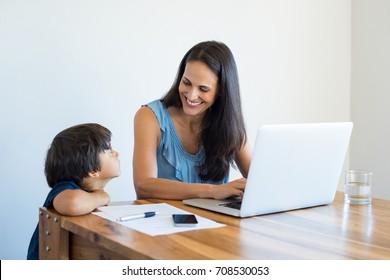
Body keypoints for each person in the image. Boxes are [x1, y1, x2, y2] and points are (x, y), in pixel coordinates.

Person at [133, 41, 251, 200]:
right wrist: (212, 191)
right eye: (186, 83)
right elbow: (144, 186)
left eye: (203, 89)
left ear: (222, 92)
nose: (191, 95)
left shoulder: (228, 124)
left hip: (217, 222)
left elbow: (259, 182)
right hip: (166, 221)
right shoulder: (149, 117)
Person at [27, 123, 120, 259]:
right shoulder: (65, 188)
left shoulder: (86, 194)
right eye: (109, 151)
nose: (116, 153)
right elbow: (72, 204)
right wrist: (101, 196)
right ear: (92, 170)